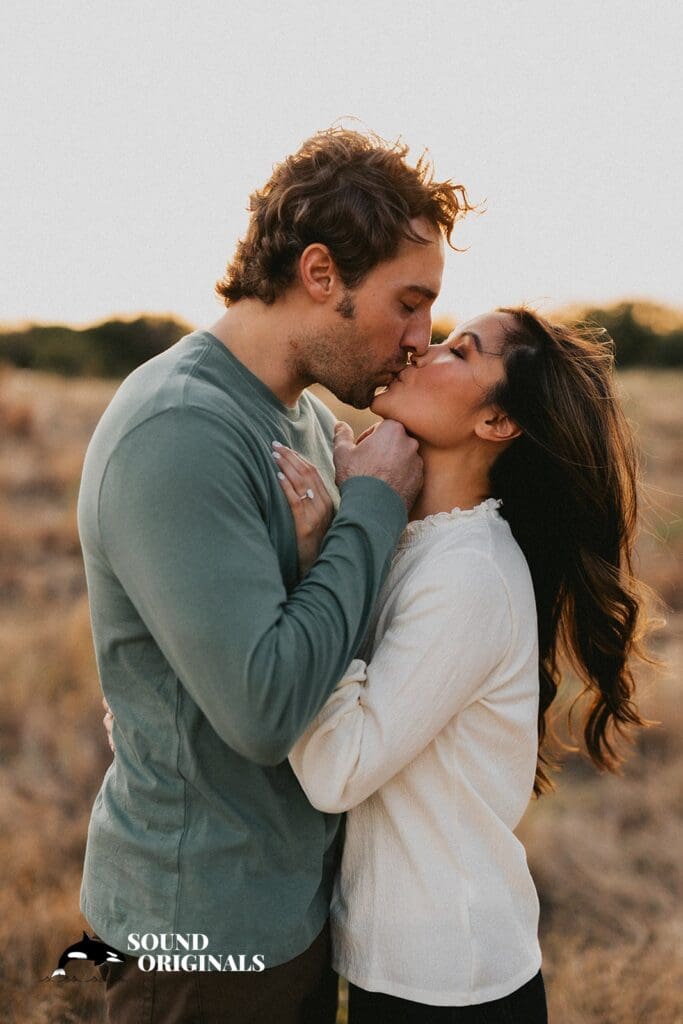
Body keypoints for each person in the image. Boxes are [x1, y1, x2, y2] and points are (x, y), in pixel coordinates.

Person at [77, 126, 472, 1023]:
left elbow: (324, 638)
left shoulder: (293, 418)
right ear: (321, 274)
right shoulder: (180, 429)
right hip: (201, 936)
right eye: (408, 304)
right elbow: (261, 711)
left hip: (285, 905)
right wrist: (369, 510)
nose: (420, 340)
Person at [272, 307, 653, 1023]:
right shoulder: (417, 542)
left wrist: (325, 562)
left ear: (498, 423)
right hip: (398, 965)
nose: (420, 350)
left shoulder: (469, 573)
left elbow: (336, 771)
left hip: (451, 983)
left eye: (458, 350)